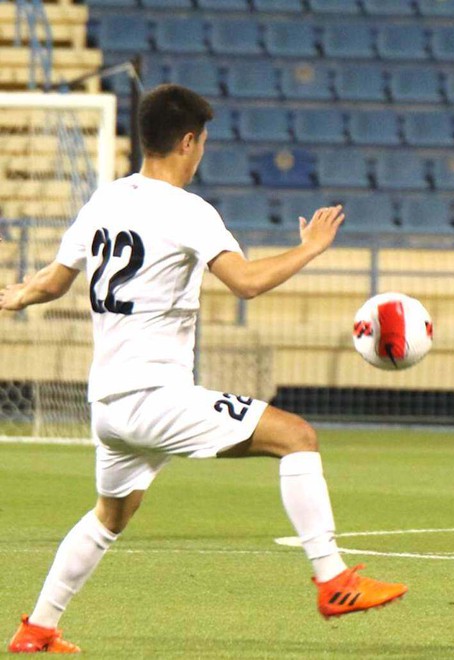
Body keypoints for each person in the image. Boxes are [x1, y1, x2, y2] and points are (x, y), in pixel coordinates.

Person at [3, 84, 406, 654]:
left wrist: (15, 296)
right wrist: (311, 247)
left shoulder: (106, 200)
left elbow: (52, 281)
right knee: (297, 437)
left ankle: (36, 629)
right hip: (154, 397)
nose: (202, 154)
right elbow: (246, 282)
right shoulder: (189, 211)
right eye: (203, 143)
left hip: (109, 406)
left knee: (109, 518)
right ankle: (333, 581)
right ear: (188, 141)